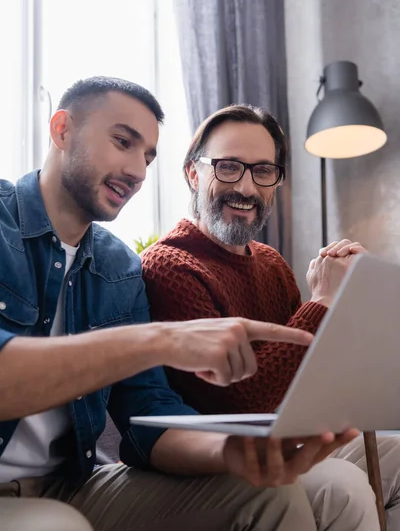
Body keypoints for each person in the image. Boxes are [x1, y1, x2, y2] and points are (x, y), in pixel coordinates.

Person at [0, 78, 359, 531]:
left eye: (147, 156)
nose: (137, 170)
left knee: (271, 493)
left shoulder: (117, 266)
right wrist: (161, 339)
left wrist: (230, 451)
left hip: (73, 482)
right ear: (62, 130)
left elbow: (147, 414)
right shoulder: (5, 224)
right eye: (122, 142)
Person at [142, 103, 400, 531]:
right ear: (193, 173)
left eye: (263, 171)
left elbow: (308, 376)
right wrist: (321, 301)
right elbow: (242, 405)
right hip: (223, 457)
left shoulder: (270, 263)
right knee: (345, 486)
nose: (246, 187)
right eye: (228, 167)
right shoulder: (170, 266)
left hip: (290, 440)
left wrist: (356, 301)